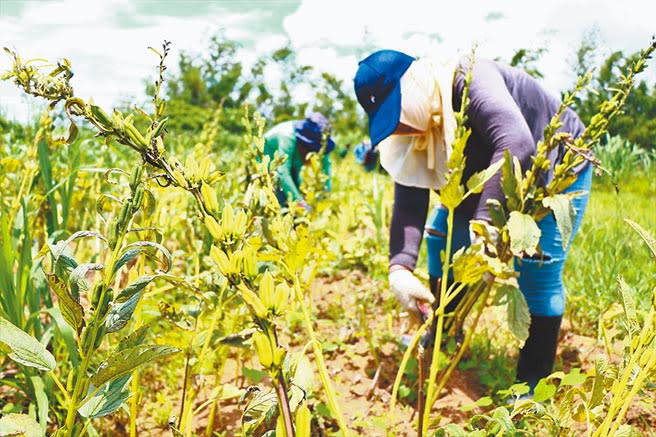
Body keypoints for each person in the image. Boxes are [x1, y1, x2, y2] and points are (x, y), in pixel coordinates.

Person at [353, 50, 592, 391]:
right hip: (484, 174)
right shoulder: (416, 128)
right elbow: (409, 198)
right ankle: (444, 338)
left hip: (553, 167)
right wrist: (400, 268)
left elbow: (517, 143)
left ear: (414, 88)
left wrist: (485, 225)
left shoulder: (470, 77)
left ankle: (532, 387)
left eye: (398, 113)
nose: (401, 126)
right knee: (442, 239)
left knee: (538, 271)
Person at [263, 112, 335, 209]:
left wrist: (326, 193)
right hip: (267, 161)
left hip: (290, 164)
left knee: (296, 189)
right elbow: (283, 173)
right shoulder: (287, 137)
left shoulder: (321, 139)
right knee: (280, 197)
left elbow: (327, 165)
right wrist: (300, 202)